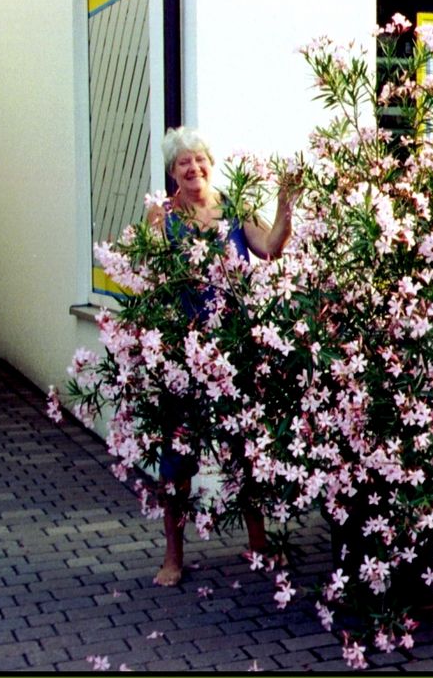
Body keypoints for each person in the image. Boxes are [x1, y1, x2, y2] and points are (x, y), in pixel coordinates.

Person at [147, 126, 298, 586]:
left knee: (245, 451)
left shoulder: (233, 209)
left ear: (210, 163)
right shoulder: (162, 216)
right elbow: (151, 278)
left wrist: (285, 205)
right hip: (183, 356)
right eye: (182, 163)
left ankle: (258, 543)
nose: (193, 169)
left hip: (235, 351)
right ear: (172, 172)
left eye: (199, 160)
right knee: (177, 459)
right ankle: (173, 557)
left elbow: (270, 249)